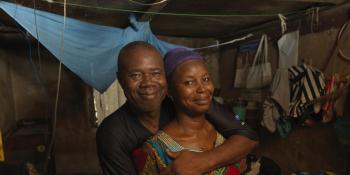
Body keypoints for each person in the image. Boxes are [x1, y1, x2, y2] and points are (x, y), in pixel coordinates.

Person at [96, 41, 258, 175]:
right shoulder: (113, 133)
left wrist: (201, 162)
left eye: (155, 73)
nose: (147, 83)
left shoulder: (187, 103)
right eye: (135, 75)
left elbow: (247, 136)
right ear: (120, 79)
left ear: (166, 81)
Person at [133, 47, 245, 174]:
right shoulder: (155, 151)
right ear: (169, 90)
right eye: (190, 82)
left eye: (206, 79)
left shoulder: (229, 136)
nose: (202, 88)